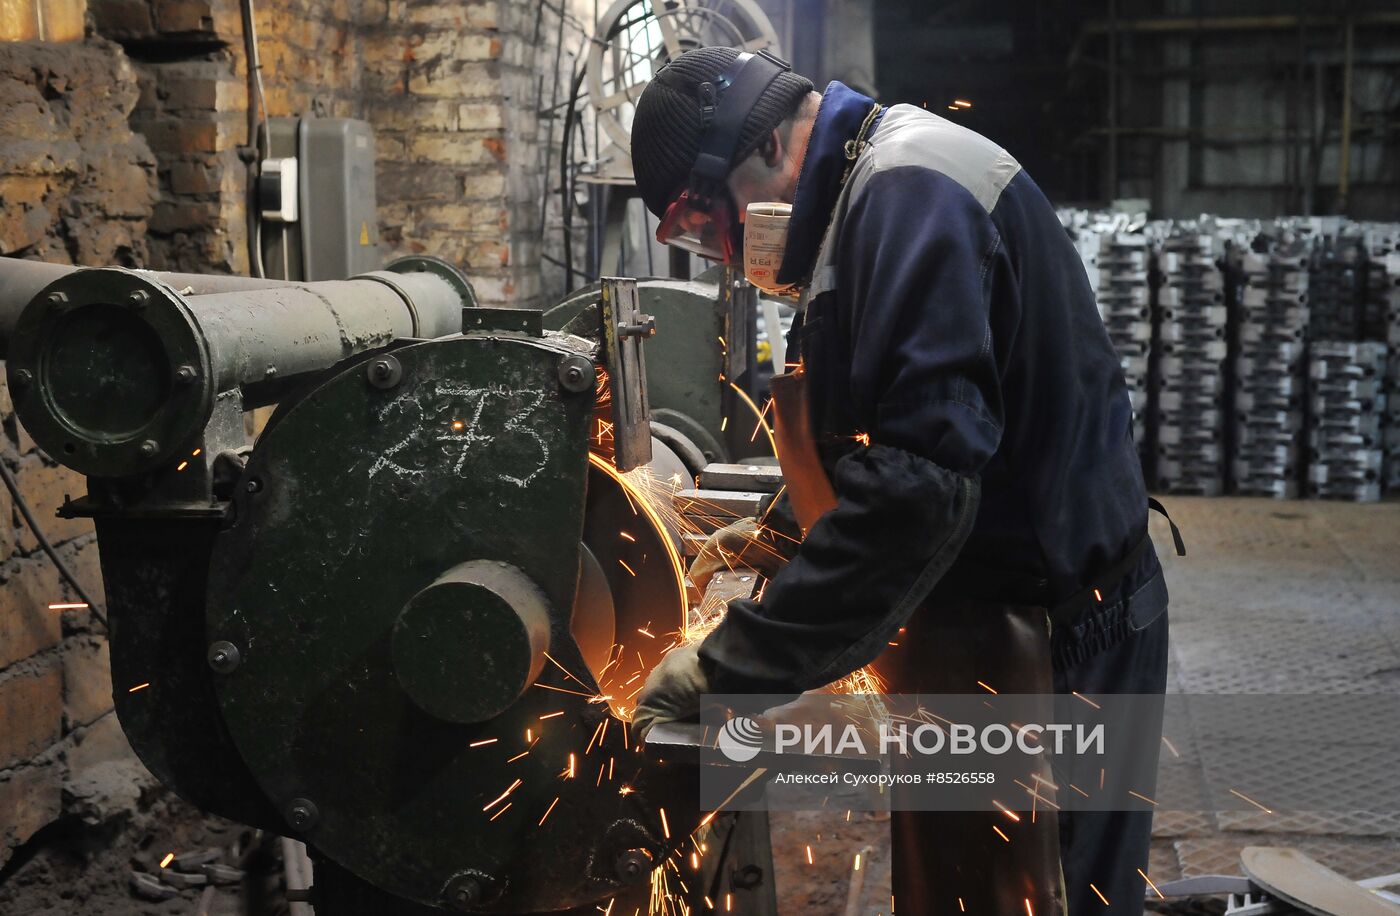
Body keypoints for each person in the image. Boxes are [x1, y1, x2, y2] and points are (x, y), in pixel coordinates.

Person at [627, 46, 1180, 916]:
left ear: (772, 144)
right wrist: (776, 535)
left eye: (711, 221)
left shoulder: (911, 191)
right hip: (980, 632)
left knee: (1047, 896)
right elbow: (875, 435)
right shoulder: (857, 206)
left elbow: (919, 485)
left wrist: (735, 664)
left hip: (1056, 642)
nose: (726, 254)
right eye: (696, 240)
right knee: (964, 894)